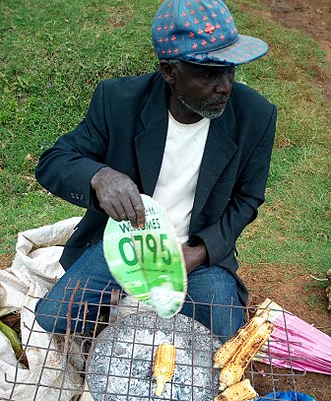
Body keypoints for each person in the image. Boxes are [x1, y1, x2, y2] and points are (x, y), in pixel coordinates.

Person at [34, 0, 277, 341]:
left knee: (226, 333)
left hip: (194, 254)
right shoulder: (118, 101)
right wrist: (98, 176)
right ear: (169, 71)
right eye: (208, 73)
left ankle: (149, 305)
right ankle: (119, 306)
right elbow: (54, 161)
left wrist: (199, 253)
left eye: (230, 69)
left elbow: (248, 198)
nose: (224, 86)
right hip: (125, 247)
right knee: (53, 318)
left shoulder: (255, 116)